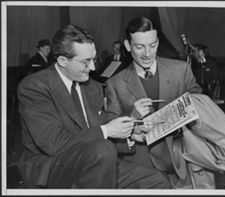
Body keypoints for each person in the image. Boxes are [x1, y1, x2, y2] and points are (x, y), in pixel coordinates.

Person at [17, 24, 172, 189]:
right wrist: (107, 131)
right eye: (85, 62)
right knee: (102, 149)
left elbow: (97, 131)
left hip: (96, 161)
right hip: (52, 168)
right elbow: (53, 143)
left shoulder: (93, 88)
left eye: (94, 59)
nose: (92, 68)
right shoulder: (35, 86)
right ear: (62, 61)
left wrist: (130, 135)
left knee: (157, 181)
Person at [105, 17, 225, 189]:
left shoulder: (181, 69)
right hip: (143, 167)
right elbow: (111, 135)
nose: (147, 53)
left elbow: (200, 103)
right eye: (139, 47)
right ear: (128, 45)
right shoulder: (114, 84)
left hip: (185, 159)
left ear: (158, 42)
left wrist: (182, 110)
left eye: (152, 45)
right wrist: (132, 121)